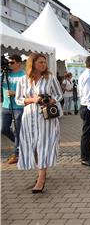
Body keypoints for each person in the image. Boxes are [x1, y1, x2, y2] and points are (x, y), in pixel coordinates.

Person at [15, 53, 63, 193]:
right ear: (32, 63)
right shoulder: (23, 80)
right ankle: (41, 170)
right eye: (40, 62)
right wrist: (32, 99)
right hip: (29, 118)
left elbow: (59, 95)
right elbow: (19, 99)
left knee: (44, 145)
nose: (44, 65)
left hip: (46, 118)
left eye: (44, 62)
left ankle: (41, 179)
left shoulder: (50, 78)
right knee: (33, 147)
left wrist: (49, 100)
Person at [1, 54, 25, 164]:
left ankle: (17, 153)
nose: (9, 64)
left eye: (12, 63)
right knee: (4, 129)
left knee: (18, 130)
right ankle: (20, 143)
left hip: (18, 107)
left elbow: (27, 91)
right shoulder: (4, 73)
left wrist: (15, 93)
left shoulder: (23, 75)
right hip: (6, 106)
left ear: (19, 63)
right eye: (8, 62)